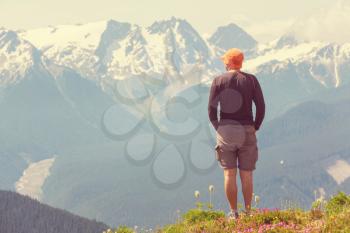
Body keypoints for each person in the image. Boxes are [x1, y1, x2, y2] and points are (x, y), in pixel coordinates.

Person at [208, 48, 265, 220]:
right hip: (247, 128)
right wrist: (256, 126)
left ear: (229, 62)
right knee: (246, 174)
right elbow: (261, 106)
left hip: (226, 130)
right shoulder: (251, 80)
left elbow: (211, 109)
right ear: (241, 62)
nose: (224, 63)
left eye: (225, 60)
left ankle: (233, 213)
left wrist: (219, 127)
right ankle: (248, 213)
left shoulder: (218, 80)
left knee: (229, 173)